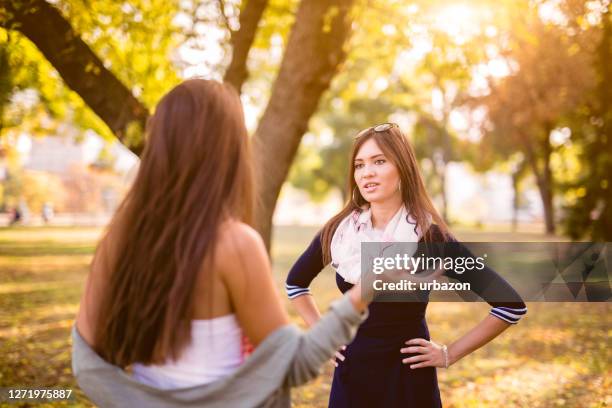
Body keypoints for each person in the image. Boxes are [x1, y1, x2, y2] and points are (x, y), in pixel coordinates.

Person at [72, 79, 393, 408]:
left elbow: (87, 365)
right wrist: (365, 289)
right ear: (228, 150)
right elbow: (295, 365)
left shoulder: (119, 240)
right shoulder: (233, 244)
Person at [286, 122, 528, 407]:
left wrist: (448, 354)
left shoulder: (429, 235)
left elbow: (510, 305)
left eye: (379, 161)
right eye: (360, 165)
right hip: (352, 377)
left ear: (402, 167)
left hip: (408, 381)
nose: (367, 173)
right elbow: (295, 284)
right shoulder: (340, 231)